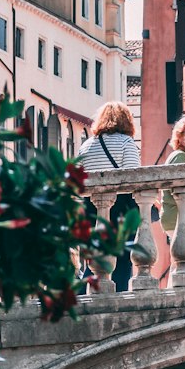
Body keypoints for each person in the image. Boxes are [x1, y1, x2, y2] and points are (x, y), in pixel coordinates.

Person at [76, 102, 141, 292]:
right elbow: (133, 180)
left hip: (91, 210)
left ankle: (81, 297)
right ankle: (118, 299)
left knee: (95, 262)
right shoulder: (126, 143)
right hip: (120, 209)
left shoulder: (86, 146)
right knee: (121, 261)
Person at [159, 115, 185, 283]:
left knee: (179, 263)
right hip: (183, 217)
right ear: (184, 137)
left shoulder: (184, 157)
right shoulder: (181, 157)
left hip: (179, 217)